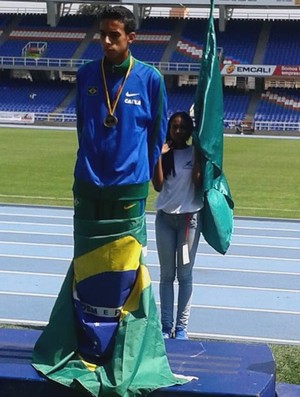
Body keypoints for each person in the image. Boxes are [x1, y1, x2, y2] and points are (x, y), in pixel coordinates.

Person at [32, 6, 187, 397]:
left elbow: (156, 135)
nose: (105, 41)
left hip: (129, 189)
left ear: (131, 37)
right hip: (88, 187)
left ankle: (121, 348)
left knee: (123, 272)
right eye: (102, 34)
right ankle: (82, 344)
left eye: (113, 35)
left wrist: (151, 173)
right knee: (87, 268)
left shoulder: (150, 79)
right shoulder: (86, 74)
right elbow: (84, 128)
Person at [152, 111, 203, 340]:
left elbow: (197, 181)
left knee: (184, 275)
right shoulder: (165, 153)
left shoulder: (194, 153)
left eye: (183, 127)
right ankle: (165, 326)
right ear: (169, 129)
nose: (178, 131)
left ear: (190, 129)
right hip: (165, 219)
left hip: (187, 222)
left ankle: (181, 328)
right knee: (166, 275)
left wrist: (199, 155)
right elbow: (158, 185)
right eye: (174, 127)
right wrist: (158, 156)